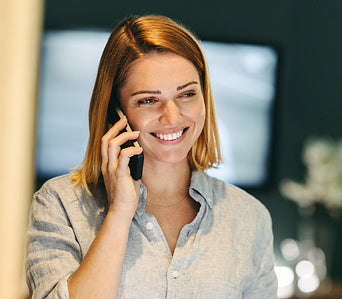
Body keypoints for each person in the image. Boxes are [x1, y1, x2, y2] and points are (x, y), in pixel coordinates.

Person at [26, 15, 278, 298]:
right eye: (147, 100)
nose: (172, 116)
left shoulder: (249, 217)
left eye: (187, 95)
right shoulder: (62, 205)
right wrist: (119, 213)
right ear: (116, 113)